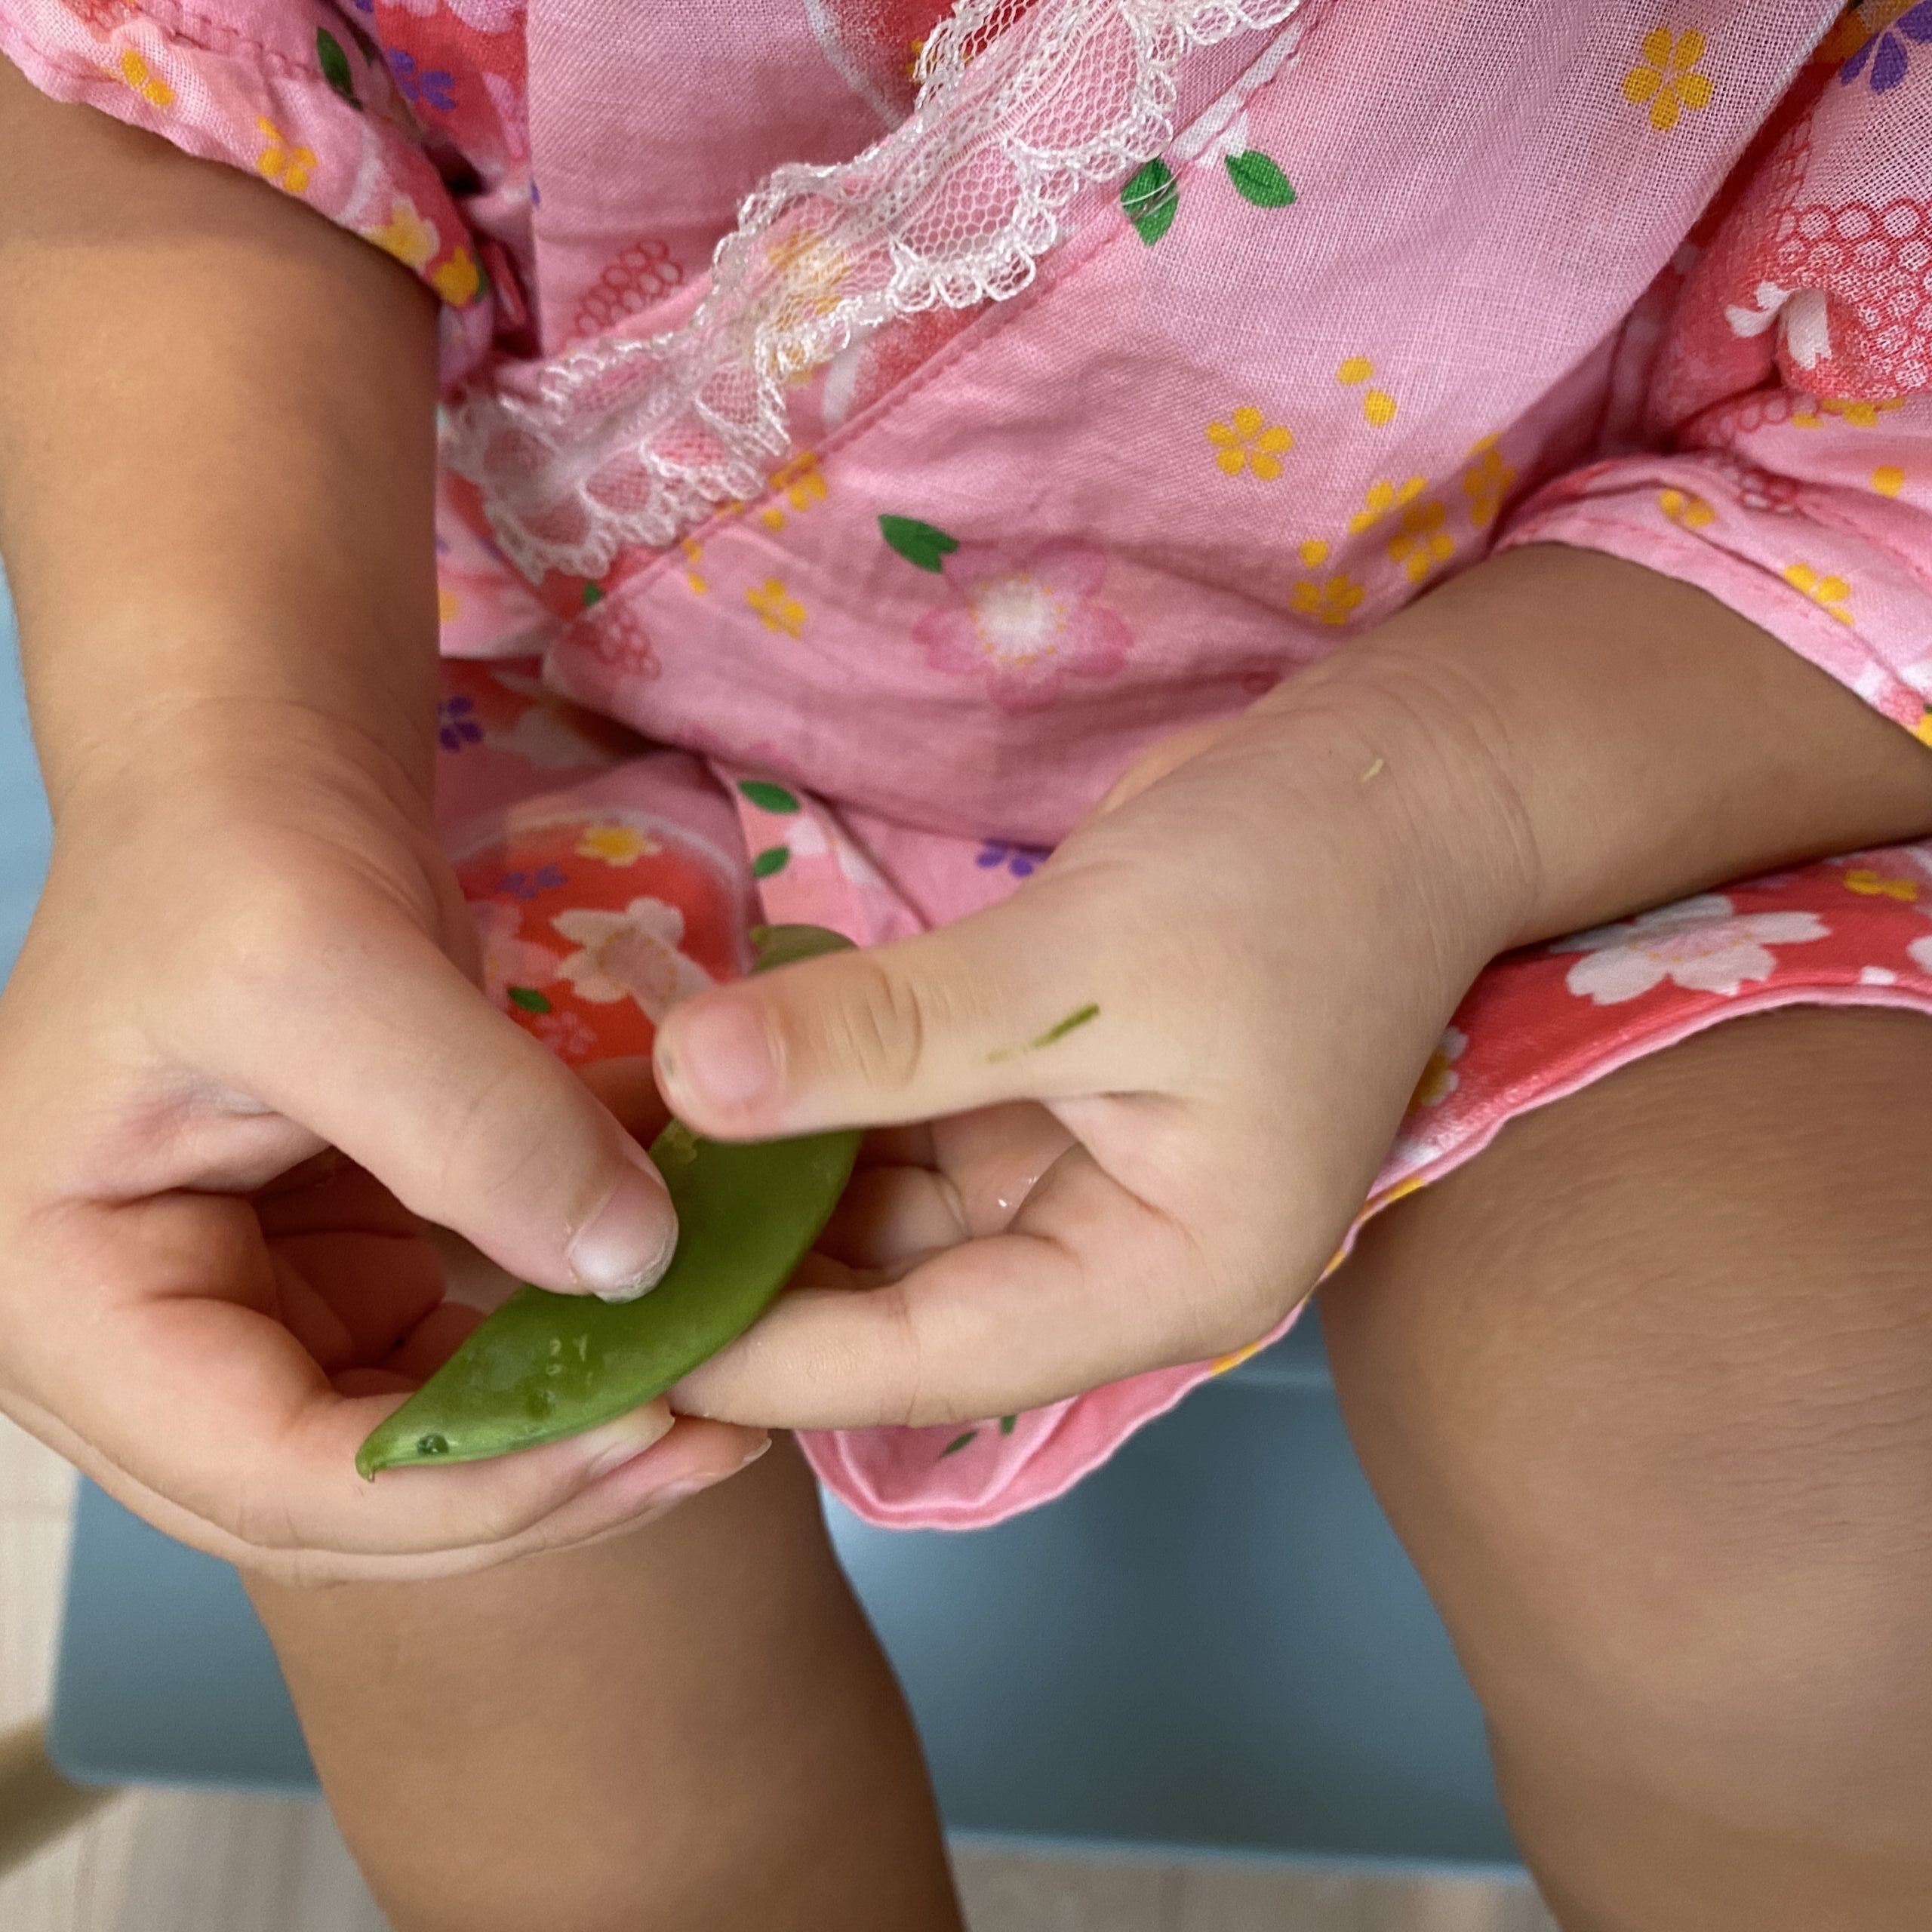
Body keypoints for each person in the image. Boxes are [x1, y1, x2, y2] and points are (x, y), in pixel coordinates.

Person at [2, 2, 1930, 1924]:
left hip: (1633, 701)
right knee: (403, 1353)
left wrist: (1426, 808)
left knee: (1815, 1485)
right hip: (596, 684)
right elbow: (176, 87)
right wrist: (225, 760)